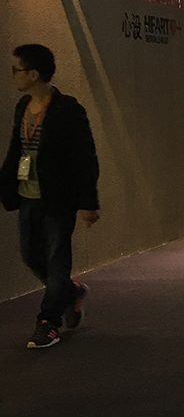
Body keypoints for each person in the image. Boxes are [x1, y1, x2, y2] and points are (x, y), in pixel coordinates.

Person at [0, 45, 100, 349]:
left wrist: (88, 202)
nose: (13, 75)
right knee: (31, 255)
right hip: (27, 195)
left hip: (58, 198)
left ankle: (49, 322)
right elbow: (16, 150)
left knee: (57, 259)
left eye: (16, 69)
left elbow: (84, 157)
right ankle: (70, 292)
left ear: (34, 74)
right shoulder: (23, 107)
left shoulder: (67, 109)